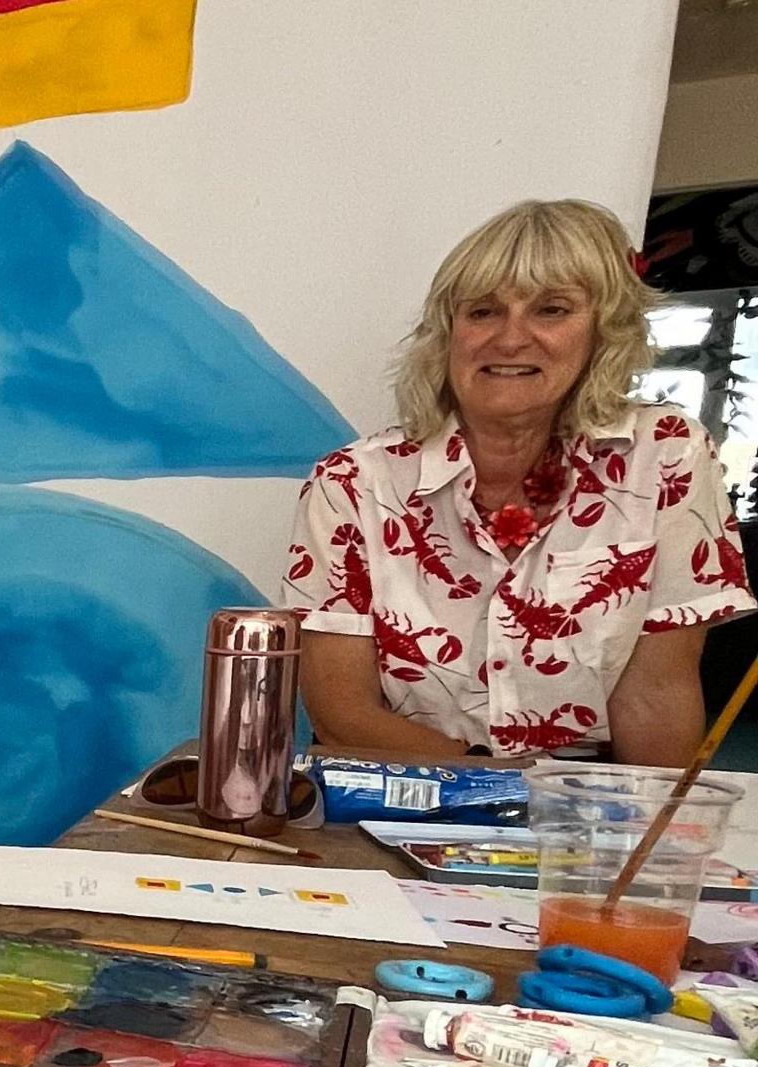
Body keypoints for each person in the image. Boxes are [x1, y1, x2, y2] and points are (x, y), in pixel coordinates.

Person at [281, 199, 755, 762]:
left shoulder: (665, 455)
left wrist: (649, 838)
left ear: (604, 332)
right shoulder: (353, 482)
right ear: (447, 333)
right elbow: (342, 714)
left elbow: (655, 695)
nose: (510, 338)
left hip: (589, 803)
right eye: (482, 312)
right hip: (408, 785)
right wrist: (500, 791)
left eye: (551, 310)